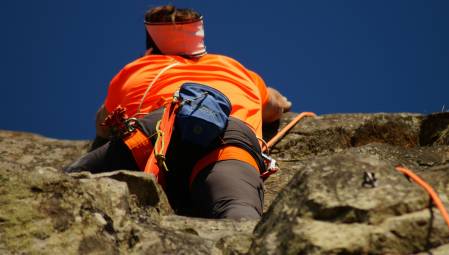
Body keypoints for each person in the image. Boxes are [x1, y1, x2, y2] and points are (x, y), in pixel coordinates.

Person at [65, 5, 291, 219]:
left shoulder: (136, 70)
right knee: (238, 210)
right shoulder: (235, 68)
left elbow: (103, 123)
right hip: (230, 133)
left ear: (150, 49)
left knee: (69, 184)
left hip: (160, 128)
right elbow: (275, 107)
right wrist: (281, 102)